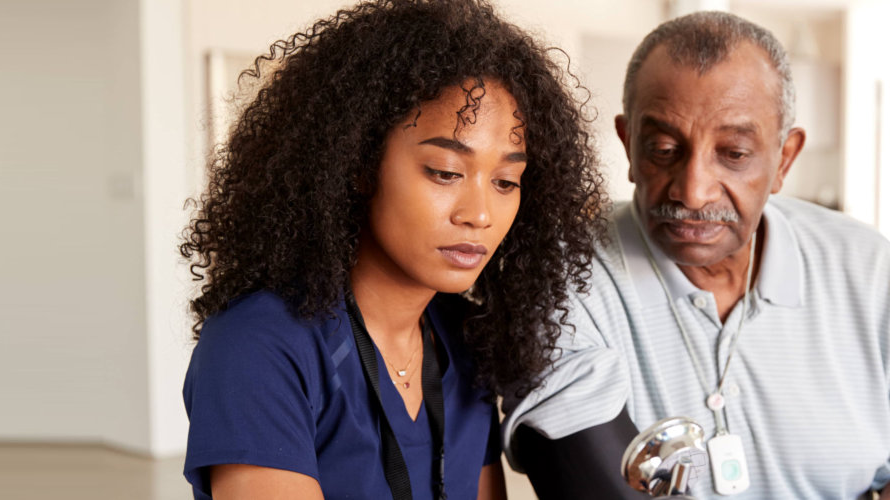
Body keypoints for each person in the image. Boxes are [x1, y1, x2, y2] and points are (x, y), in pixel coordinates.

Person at [503, 11, 890, 499]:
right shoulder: (561, 277)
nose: (693, 192)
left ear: (784, 158)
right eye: (664, 148)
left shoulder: (867, 268)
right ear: (629, 145)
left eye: (733, 154)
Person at [177, 1, 607, 499]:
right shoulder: (258, 345)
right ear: (357, 165)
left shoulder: (463, 343)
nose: (480, 214)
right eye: (446, 172)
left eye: (507, 180)